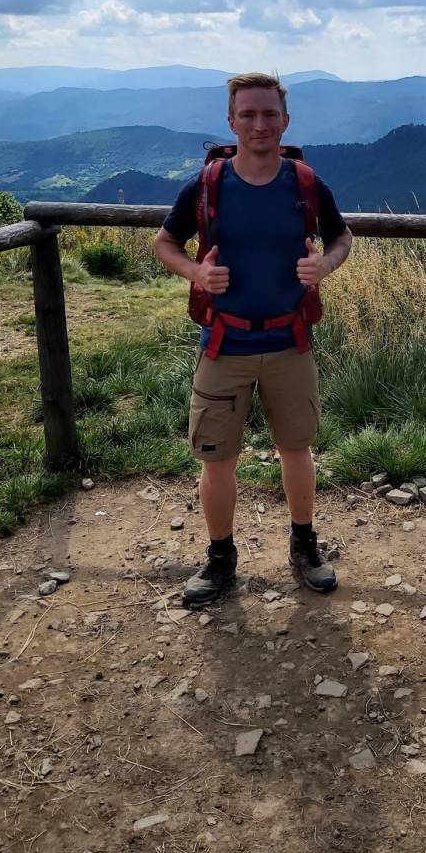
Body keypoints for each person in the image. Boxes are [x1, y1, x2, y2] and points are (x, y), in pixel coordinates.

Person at [153, 72, 353, 606]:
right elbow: (165, 243)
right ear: (231, 121)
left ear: (285, 121)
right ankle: (220, 557)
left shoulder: (306, 184)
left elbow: (342, 238)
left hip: (290, 341)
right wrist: (197, 273)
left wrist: (325, 265)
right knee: (216, 459)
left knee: (296, 449)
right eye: (248, 114)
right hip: (225, 343)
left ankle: (304, 546)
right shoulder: (207, 185)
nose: (259, 124)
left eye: (269, 114)